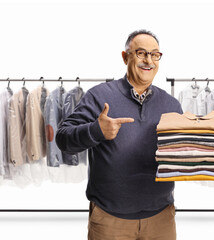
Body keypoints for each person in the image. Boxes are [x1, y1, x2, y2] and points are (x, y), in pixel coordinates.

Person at [56, 29, 182, 240]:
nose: (148, 60)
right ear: (125, 57)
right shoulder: (100, 96)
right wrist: (96, 130)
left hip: (161, 218)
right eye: (141, 53)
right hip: (110, 220)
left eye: (154, 54)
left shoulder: (171, 104)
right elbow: (63, 138)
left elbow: (179, 153)